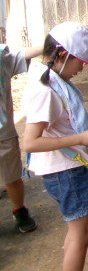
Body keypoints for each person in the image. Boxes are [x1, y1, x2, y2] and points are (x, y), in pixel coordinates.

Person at [21, 22, 88, 271]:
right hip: (65, 171)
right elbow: (30, 142)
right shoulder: (45, 90)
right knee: (80, 233)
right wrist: (79, 139)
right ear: (61, 54)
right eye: (79, 62)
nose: (81, 70)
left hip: (68, 168)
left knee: (79, 232)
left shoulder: (54, 79)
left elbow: (60, 120)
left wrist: (84, 125)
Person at [1, 42, 43, 233]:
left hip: (3, 134)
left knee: (12, 177)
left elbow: (21, 55)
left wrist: (51, 44)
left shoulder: (2, 58)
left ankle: (20, 210)